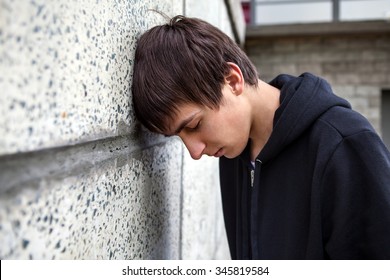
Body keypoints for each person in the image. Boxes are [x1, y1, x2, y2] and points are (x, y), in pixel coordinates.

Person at [131, 15, 390, 259]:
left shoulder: (345, 142)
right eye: (178, 136)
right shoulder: (234, 153)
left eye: (195, 124)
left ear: (232, 81)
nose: (195, 152)